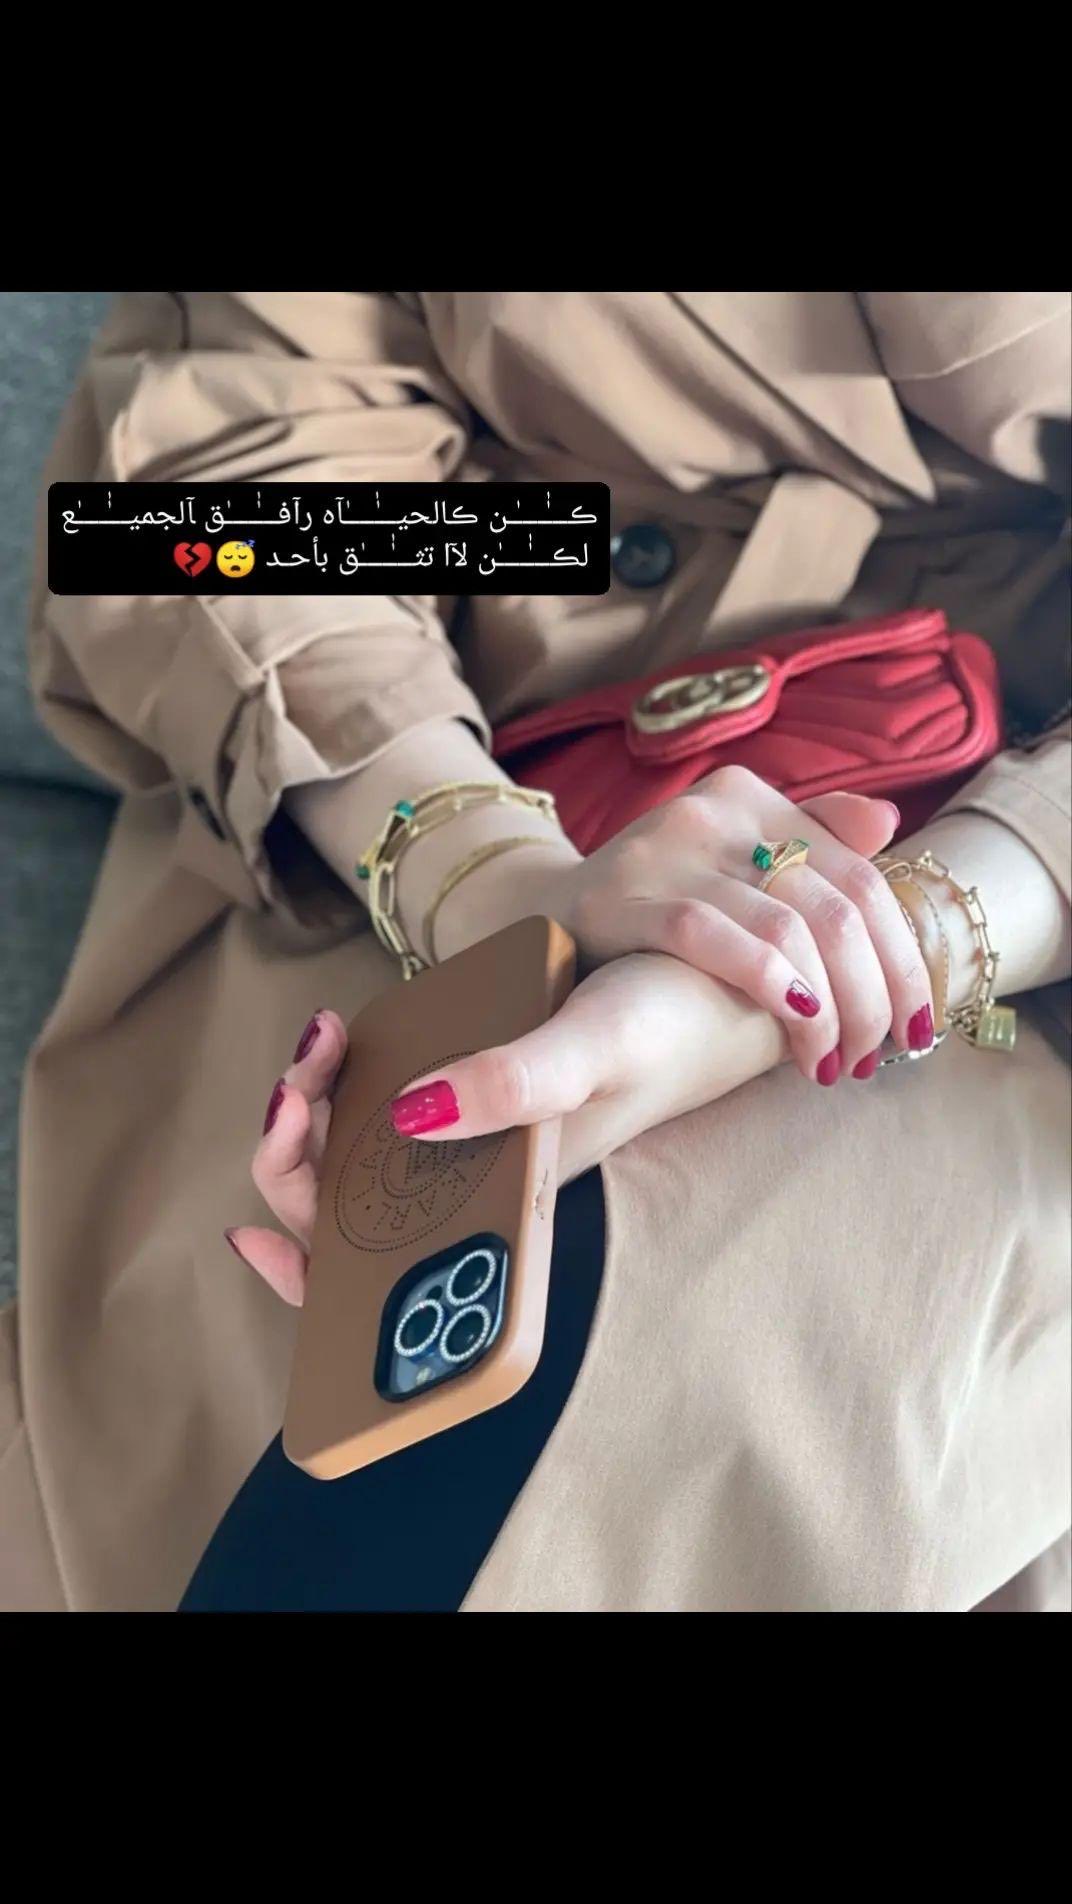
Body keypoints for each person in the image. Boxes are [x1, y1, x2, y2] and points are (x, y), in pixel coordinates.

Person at [3, 292, 1069, 1612]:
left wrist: (909, 932)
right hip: (418, 761)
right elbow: (204, 484)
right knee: (361, 1312)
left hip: (1016, 853)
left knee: (797, 1330)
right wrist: (493, 886)